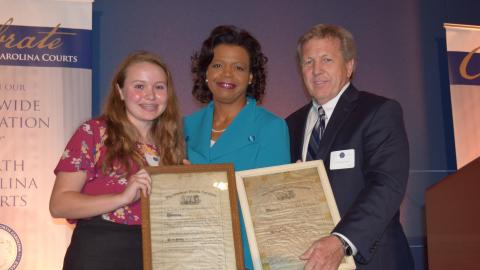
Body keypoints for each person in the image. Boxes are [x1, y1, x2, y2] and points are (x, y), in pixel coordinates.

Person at [286, 24, 414, 270]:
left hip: (373, 261)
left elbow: (386, 185)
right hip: (310, 261)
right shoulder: (290, 125)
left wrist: (340, 242)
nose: (317, 70)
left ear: (350, 66)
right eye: (308, 62)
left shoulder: (378, 111)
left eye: (327, 59)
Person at [49, 51, 185, 270]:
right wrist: (122, 197)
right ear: (120, 91)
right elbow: (59, 205)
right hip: (100, 253)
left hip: (157, 254)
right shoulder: (93, 133)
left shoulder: (172, 144)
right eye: (139, 86)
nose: (150, 95)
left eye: (159, 87)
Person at [184, 25, 290, 270]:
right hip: (192, 257)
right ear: (206, 73)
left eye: (239, 67)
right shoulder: (185, 127)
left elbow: (272, 210)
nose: (227, 74)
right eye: (218, 65)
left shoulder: (271, 128)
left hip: (247, 259)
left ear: (251, 76)